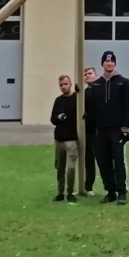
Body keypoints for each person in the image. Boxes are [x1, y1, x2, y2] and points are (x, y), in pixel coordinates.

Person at [84, 51, 129, 205]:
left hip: (117, 129)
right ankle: (110, 191)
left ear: (115, 63)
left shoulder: (123, 82)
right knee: (103, 161)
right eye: (106, 62)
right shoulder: (96, 85)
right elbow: (90, 108)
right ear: (102, 64)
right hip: (101, 130)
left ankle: (121, 192)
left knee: (118, 161)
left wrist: (125, 128)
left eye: (112, 61)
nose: (109, 64)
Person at [49, 75, 79, 204]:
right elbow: (53, 119)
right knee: (60, 167)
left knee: (71, 168)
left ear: (70, 84)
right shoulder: (58, 100)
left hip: (72, 139)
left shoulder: (77, 99)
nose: (63, 87)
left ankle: (70, 192)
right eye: (61, 85)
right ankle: (60, 192)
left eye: (65, 84)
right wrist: (58, 117)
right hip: (59, 139)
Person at [81, 67, 98, 195]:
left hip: (100, 130)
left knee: (104, 159)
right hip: (88, 131)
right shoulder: (84, 93)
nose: (87, 76)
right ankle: (88, 187)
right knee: (89, 160)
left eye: (90, 73)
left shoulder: (102, 89)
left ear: (96, 75)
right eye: (85, 74)